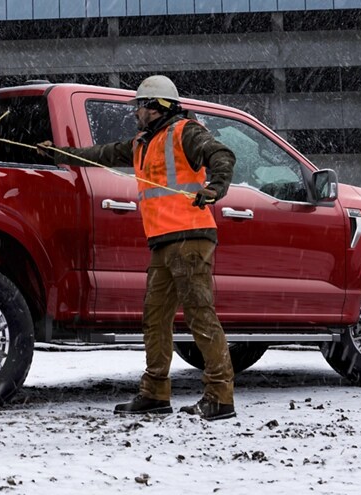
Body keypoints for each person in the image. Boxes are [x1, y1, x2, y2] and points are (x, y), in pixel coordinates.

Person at [36, 75, 238, 421]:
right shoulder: (143, 143)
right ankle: (155, 392)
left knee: (199, 315)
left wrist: (215, 187)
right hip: (163, 241)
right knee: (155, 318)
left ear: (158, 107)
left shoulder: (185, 131)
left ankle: (220, 397)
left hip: (190, 236)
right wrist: (59, 154)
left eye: (141, 106)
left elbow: (222, 154)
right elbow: (99, 154)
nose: (136, 113)